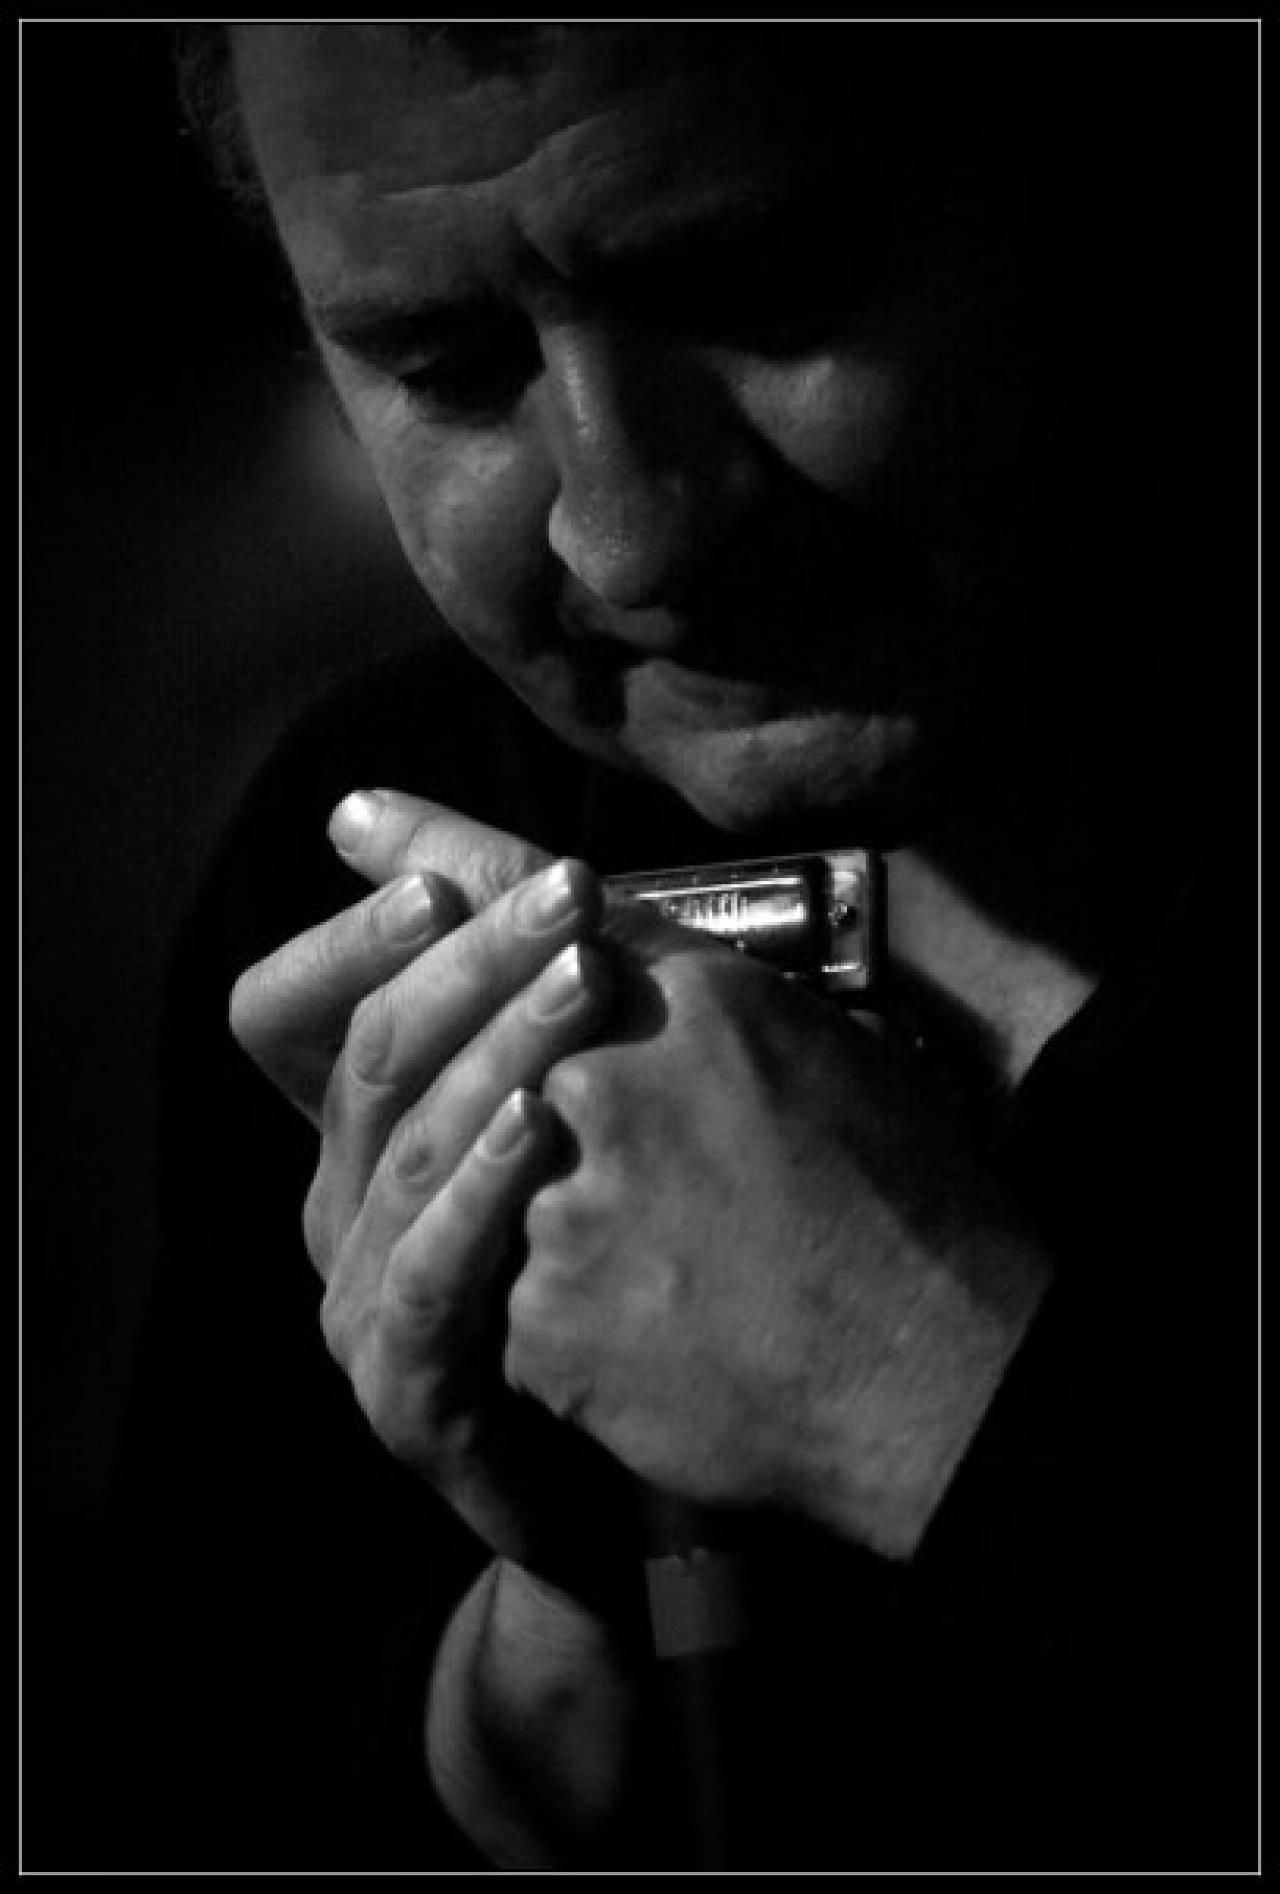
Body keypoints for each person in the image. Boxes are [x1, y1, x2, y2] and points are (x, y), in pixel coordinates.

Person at [97, 21, 1255, 1872]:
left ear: (1084, 159)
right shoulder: (366, 868)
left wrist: (926, 1389)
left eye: (751, 286)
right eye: (448, 366)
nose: (627, 534)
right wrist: (571, 1627)